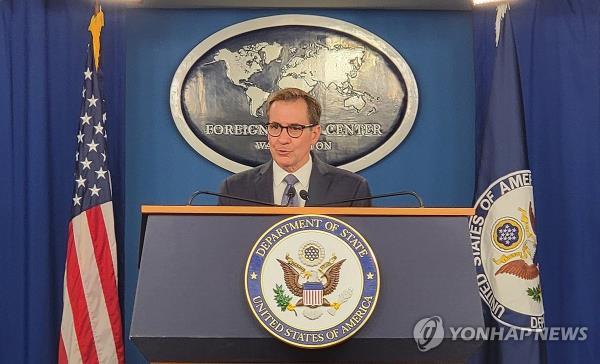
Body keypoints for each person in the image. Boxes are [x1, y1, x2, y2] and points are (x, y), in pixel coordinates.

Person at [218, 88, 371, 207]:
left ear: (314, 134)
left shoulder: (351, 190)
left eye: (295, 128)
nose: (283, 139)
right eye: (275, 127)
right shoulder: (235, 190)